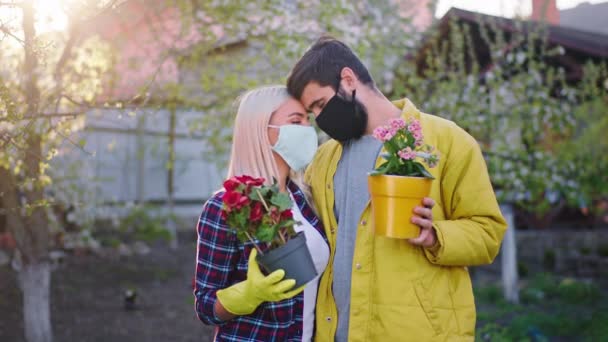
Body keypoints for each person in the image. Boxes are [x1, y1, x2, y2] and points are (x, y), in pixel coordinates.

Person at [286, 37, 507, 341]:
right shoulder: (324, 159)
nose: (322, 120)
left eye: (322, 105)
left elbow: (488, 233)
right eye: (313, 113)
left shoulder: (446, 141)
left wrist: (436, 236)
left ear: (348, 80)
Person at [193, 86, 330, 341]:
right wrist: (248, 294)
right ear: (261, 131)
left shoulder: (303, 198)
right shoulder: (227, 206)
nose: (307, 130)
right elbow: (205, 307)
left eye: (307, 121)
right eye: (295, 121)